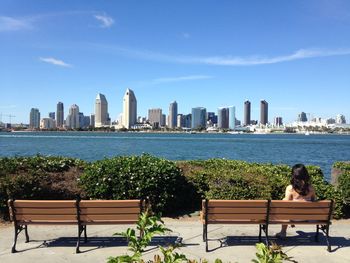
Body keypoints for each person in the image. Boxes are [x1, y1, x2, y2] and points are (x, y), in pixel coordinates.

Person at [275, 163, 316, 239]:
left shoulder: (290, 188)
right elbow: (314, 202)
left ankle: (283, 232)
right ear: (305, 175)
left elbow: (285, 205)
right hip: (307, 217)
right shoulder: (311, 188)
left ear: (293, 175)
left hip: (292, 217)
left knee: (284, 204)